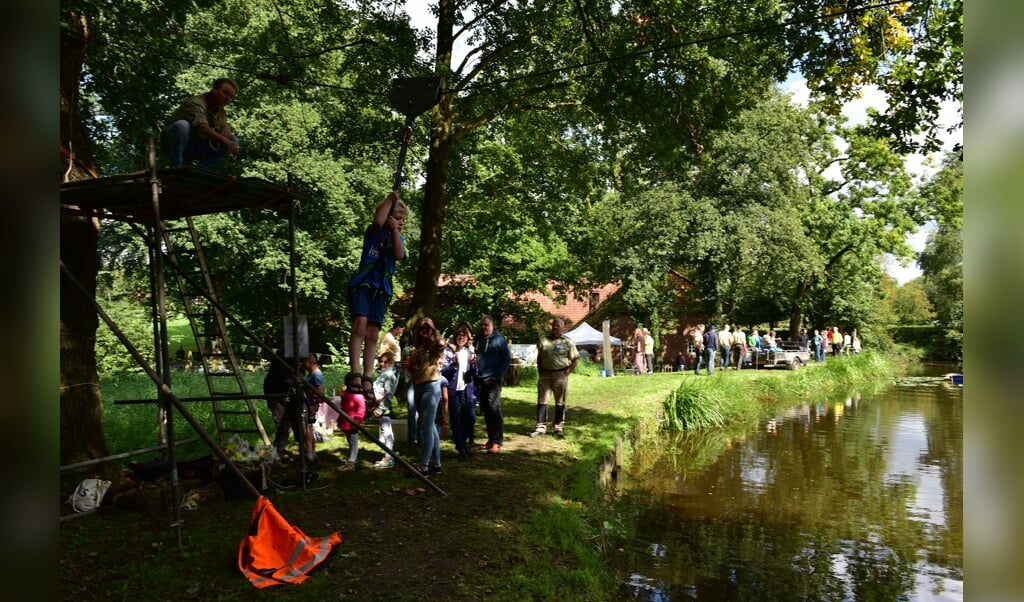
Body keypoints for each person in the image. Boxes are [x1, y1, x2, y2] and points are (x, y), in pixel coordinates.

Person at [347, 191, 408, 405]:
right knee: (360, 325)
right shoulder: (374, 233)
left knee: (372, 334)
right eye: (398, 218)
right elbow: (377, 219)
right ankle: (354, 371)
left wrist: (394, 231)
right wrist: (390, 200)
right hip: (365, 283)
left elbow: (399, 255)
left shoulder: (397, 239)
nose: (401, 223)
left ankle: (366, 376)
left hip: (382, 288)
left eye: (403, 220)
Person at [161, 78, 240, 169]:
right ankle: (175, 166)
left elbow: (222, 126)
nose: (228, 99)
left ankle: (202, 169)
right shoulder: (196, 102)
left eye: (231, 97)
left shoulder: (221, 111)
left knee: (233, 140)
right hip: (175, 144)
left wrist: (226, 128)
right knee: (182, 125)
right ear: (215, 90)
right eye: (225, 93)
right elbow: (201, 127)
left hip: (197, 147)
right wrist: (224, 140)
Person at [405, 317, 446, 477]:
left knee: (426, 427)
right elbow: (414, 371)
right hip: (418, 386)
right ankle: (436, 463)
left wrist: (433, 329)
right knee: (429, 425)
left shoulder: (434, 347)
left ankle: (423, 466)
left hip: (431, 387)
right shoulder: (415, 348)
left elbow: (442, 343)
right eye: (421, 328)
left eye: (427, 328)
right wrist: (410, 367)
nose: (424, 330)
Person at [530, 318, 579, 438]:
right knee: (542, 401)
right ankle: (540, 427)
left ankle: (558, 427)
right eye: (553, 326)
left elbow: (575, 360)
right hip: (545, 375)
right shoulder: (543, 340)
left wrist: (567, 372)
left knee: (560, 402)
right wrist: (540, 372)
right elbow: (539, 358)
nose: (555, 328)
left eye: (558, 326)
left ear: (563, 328)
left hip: (560, 375)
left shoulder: (568, 342)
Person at [474, 315, 511, 453]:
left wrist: (498, 376)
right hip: (480, 379)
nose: (484, 327)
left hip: (493, 379)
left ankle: (497, 442)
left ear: (492, 326)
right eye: (482, 325)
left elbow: (506, 360)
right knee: (486, 410)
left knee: (494, 409)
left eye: (486, 325)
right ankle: (490, 439)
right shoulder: (478, 339)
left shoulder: (499, 340)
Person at [441, 323, 477, 460]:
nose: (461, 337)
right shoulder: (448, 351)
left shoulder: (470, 353)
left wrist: (473, 366)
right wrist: (454, 365)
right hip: (451, 389)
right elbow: (443, 372)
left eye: (464, 336)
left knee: (470, 417)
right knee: (455, 419)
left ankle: (461, 443)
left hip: (466, 389)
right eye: (459, 335)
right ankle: (462, 448)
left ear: (468, 339)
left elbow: (474, 373)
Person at [370, 352, 401, 469]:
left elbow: (388, 394)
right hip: (381, 407)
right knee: (386, 432)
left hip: (384, 408)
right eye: (380, 361)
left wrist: (381, 408)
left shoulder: (388, 375)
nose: (382, 364)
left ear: (391, 363)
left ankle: (389, 457)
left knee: (387, 433)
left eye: (385, 362)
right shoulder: (384, 374)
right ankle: (389, 455)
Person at [336, 372, 367, 472]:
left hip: (353, 423)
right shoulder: (347, 393)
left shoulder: (358, 396)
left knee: (353, 442)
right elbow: (344, 407)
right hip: (347, 422)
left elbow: (361, 409)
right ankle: (351, 459)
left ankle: (351, 462)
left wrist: (357, 421)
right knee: (350, 441)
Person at [301, 354, 324, 463]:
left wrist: (315, 405)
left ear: (310, 362)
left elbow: (319, 391)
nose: (302, 365)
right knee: (309, 427)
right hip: (309, 403)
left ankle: (310, 452)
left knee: (307, 428)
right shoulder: (312, 374)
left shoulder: (316, 375)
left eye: (304, 362)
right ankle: (312, 451)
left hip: (310, 404)